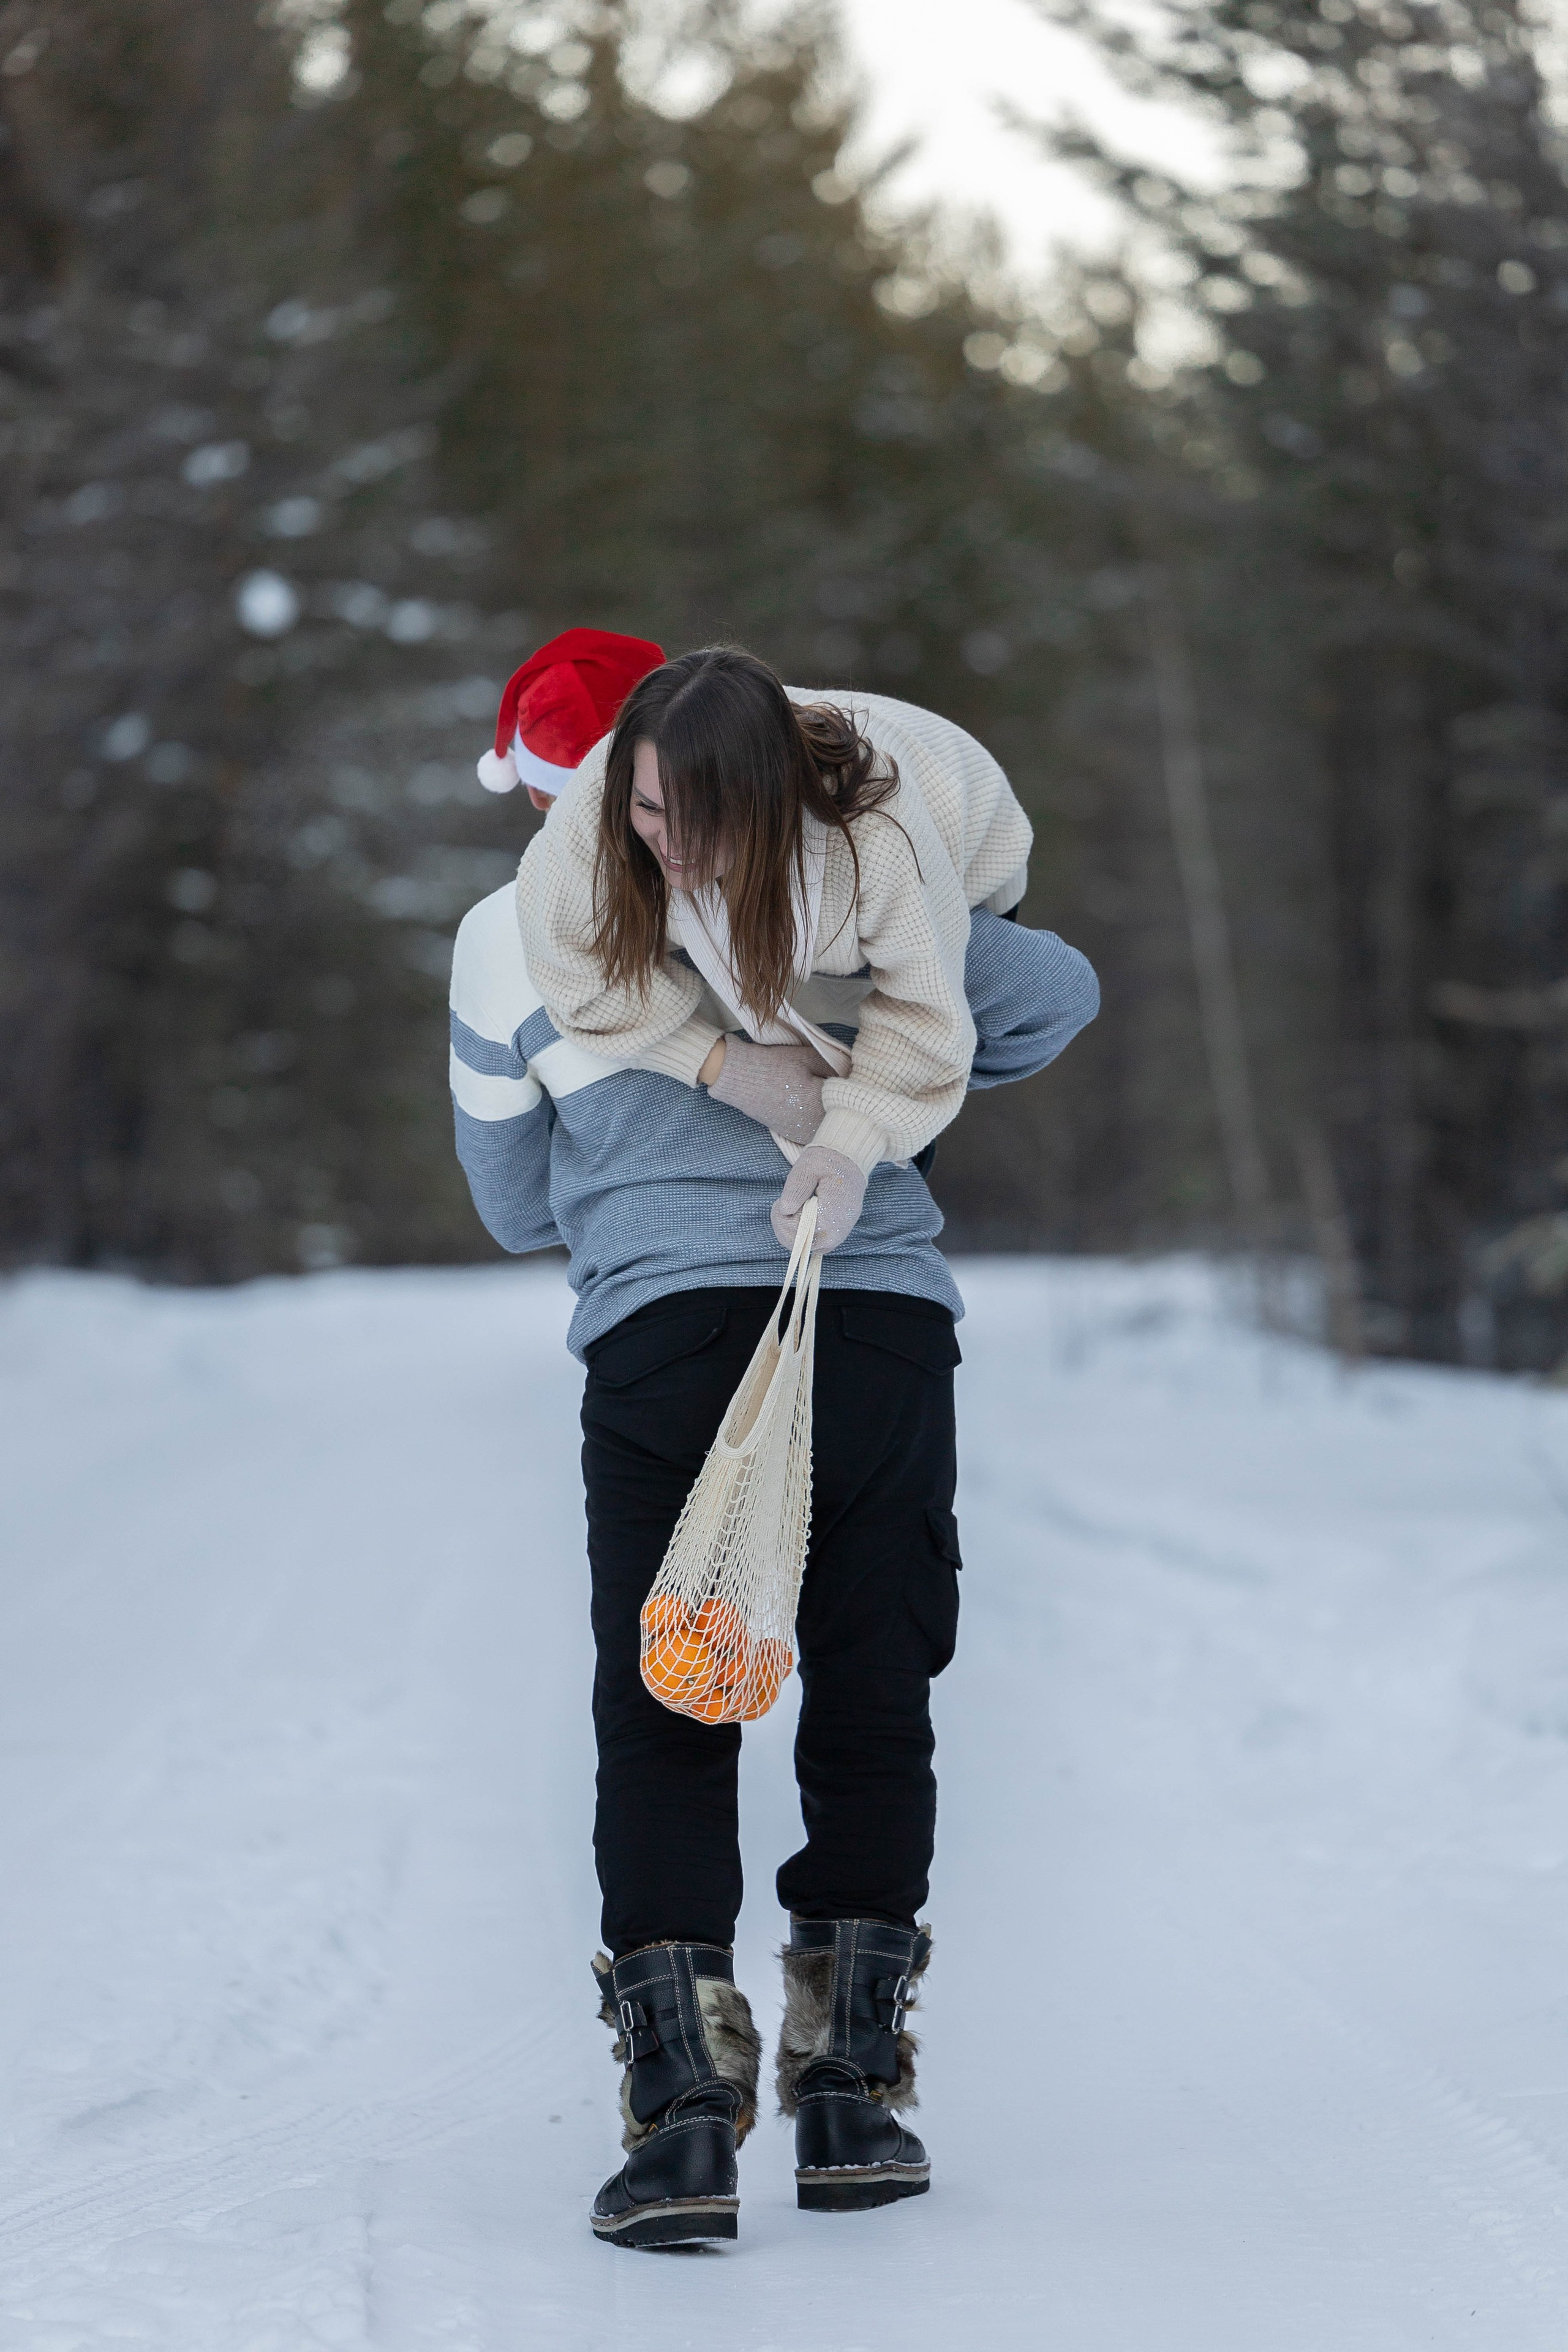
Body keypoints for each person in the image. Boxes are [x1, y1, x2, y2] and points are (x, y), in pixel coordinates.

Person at [450, 641, 1098, 2248]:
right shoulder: (875, 876)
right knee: (873, 1689)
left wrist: (634, 1155)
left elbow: (514, 1203)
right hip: (872, 1318)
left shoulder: (498, 938)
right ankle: (851, 2094)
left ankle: (680, 2115)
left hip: (666, 1340)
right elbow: (1046, 1007)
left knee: (672, 1692)